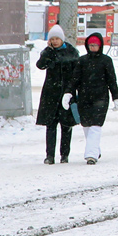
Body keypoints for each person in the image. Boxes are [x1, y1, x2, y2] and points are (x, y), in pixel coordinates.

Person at [65, 32, 118, 165]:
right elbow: (75, 80)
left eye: (95, 45)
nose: (93, 47)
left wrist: (116, 97)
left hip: (101, 98)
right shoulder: (82, 61)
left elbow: (112, 80)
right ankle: (95, 150)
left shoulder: (106, 61)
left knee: (96, 125)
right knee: (87, 126)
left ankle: (91, 155)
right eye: (90, 45)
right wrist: (68, 93)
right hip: (84, 98)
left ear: (100, 45)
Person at [36, 24, 78, 164]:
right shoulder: (49, 52)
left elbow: (76, 73)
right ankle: (50, 156)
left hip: (66, 93)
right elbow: (40, 65)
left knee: (66, 126)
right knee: (51, 125)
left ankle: (64, 155)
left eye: (57, 39)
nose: (55, 41)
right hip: (51, 94)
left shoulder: (71, 52)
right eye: (52, 39)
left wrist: (72, 90)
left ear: (62, 39)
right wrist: (48, 51)